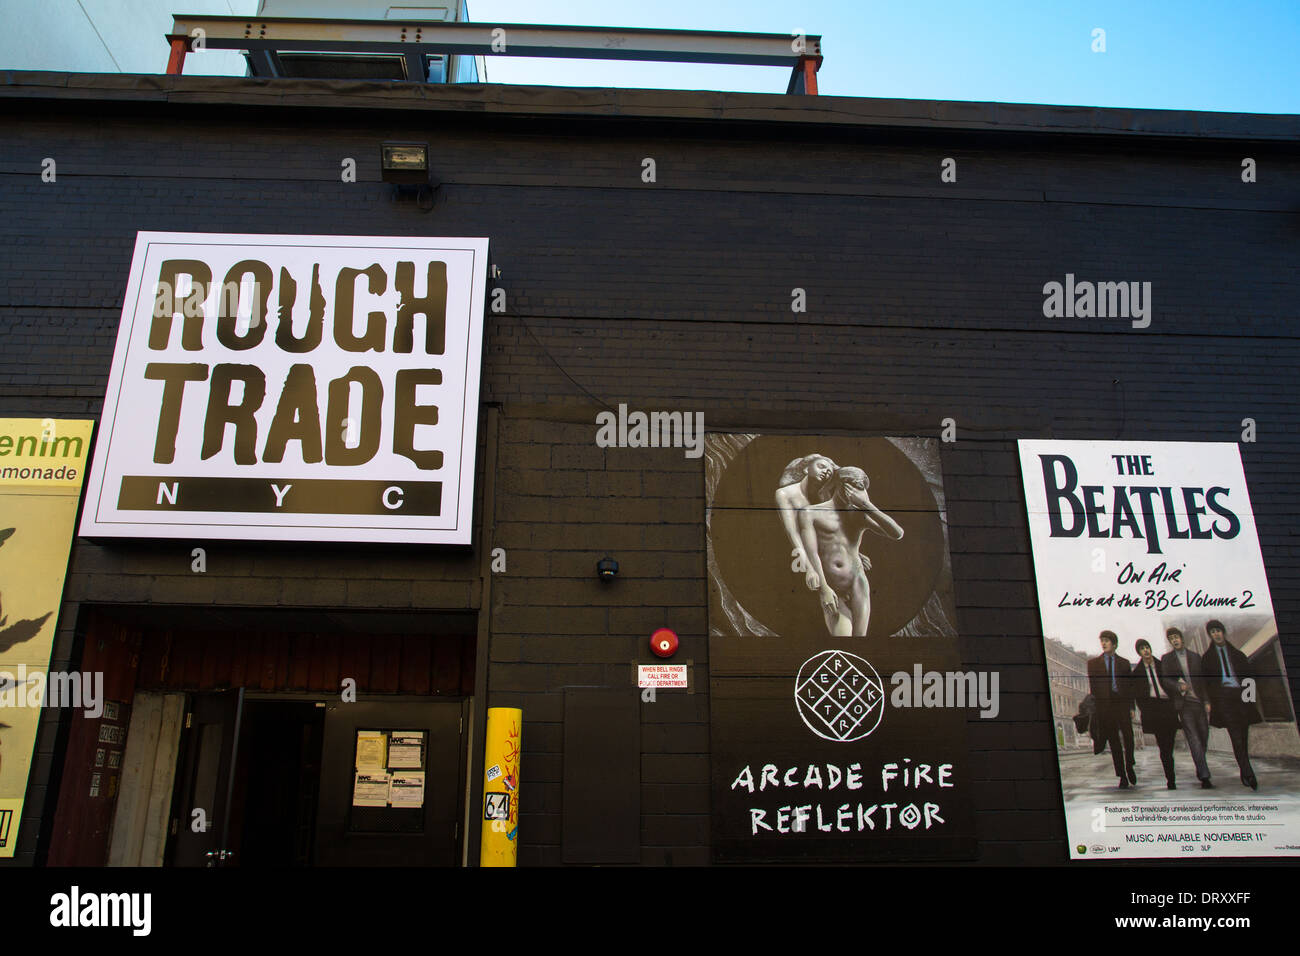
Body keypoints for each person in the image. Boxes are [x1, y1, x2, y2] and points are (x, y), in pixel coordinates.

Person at [797, 466, 903, 636]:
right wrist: (824, 589)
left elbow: (897, 533)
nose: (855, 493)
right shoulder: (811, 513)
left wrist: (866, 505)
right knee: (842, 637)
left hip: (857, 582)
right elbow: (812, 553)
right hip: (831, 584)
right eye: (853, 488)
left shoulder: (859, 515)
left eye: (860, 489)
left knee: (860, 640)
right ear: (840, 485)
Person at [1200, 619, 1259, 790]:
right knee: (1236, 736)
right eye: (1212, 632)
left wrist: (1250, 699)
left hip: (1241, 695)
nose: (1216, 634)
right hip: (1224, 698)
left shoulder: (1238, 654)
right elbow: (1206, 683)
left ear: (1223, 632)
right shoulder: (1207, 658)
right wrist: (1210, 701)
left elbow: (1250, 677)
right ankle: (1249, 773)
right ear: (1210, 636)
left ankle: (1243, 768)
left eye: (1218, 630)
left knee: (1243, 734)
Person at [1161, 627, 1213, 789]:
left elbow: (1203, 681)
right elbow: (1165, 681)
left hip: (1199, 703)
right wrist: (1178, 686)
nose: (1175, 640)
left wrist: (1206, 701)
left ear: (1182, 639)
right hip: (1184, 705)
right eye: (1171, 639)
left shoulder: (1195, 657)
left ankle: (1200, 766)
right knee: (1194, 740)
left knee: (1203, 737)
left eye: (1176, 637)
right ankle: (1204, 776)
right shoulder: (1167, 659)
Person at [1086, 630, 1136, 788]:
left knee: (1128, 737)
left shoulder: (1124, 663)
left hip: (1121, 703)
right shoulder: (1093, 664)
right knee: (1114, 741)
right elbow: (1093, 689)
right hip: (1105, 707)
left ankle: (1129, 766)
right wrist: (1096, 711)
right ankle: (1122, 775)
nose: (1104, 643)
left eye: (1107, 640)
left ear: (1114, 644)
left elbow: (1130, 688)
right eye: (1102, 640)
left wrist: (1131, 707)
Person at [774, 455, 839, 575]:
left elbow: (832, 531)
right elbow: (793, 533)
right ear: (806, 469)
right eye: (821, 466)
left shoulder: (823, 498)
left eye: (829, 473)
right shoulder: (784, 494)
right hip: (796, 557)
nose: (826, 472)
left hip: (823, 557)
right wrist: (809, 569)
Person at [1132, 639, 1179, 789]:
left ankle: (1170, 769)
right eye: (1142, 649)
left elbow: (1173, 683)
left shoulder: (1162, 665)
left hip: (1167, 707)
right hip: (1153, 709)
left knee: (1169, 743)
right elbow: (1138, 696)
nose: (1145, 650)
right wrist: (1146, 710)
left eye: (1147, 647)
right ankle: (1170, 778)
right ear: (1139, 652)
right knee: (1163, 746)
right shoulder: (1138, 672)